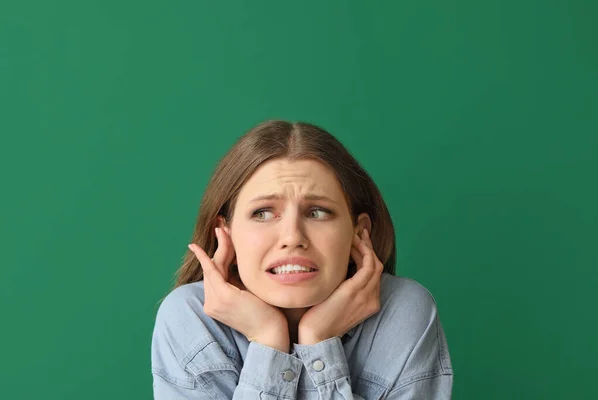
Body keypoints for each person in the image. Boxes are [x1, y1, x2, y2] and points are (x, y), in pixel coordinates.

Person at [151, 120, 453, 399]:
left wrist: (318, 341)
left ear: (358, 233)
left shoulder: (403, 310)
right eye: (263, 213)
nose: (293, 236)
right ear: (225, 235)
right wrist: (268, 339)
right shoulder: (189, 318)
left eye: (317, 211)